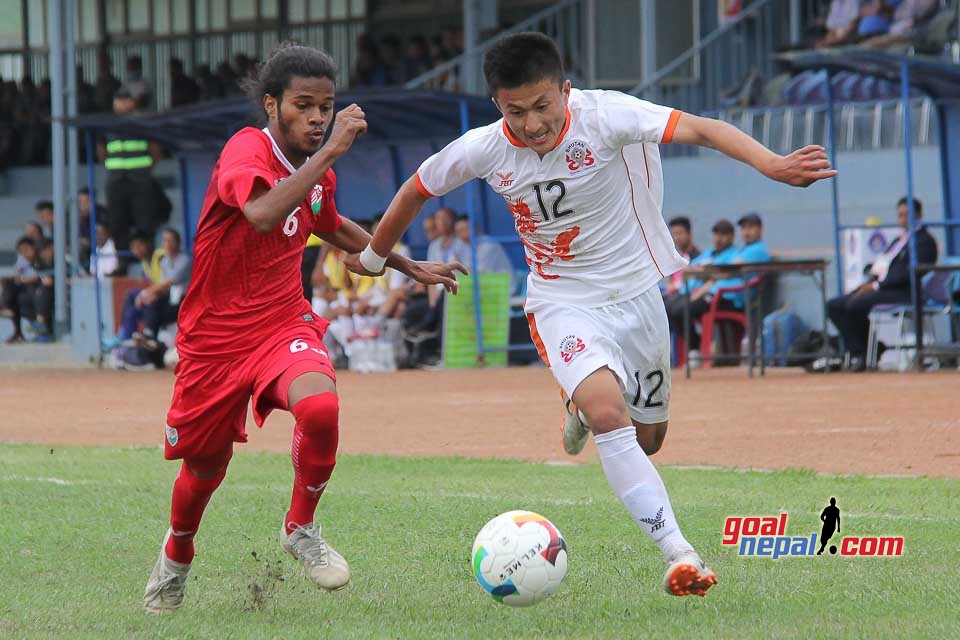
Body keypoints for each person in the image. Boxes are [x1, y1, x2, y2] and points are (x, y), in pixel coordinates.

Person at [353, 32, 835, 597]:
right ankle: (679, 554)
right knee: (612, 417)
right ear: (497, 106)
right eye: (515, 111)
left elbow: (704, 128)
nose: (532, 124)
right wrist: (371, 257)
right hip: (563, 300)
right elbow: (415, 189)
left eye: (542, 107)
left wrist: (772, 164)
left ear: (565, 90)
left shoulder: (609, 116)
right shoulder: (484, 147)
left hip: (637, 296)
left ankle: (576, 402)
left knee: (649, 438)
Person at [142, 43, 465, 614]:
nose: (318, 118)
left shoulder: (319, 170)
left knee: (321, 407)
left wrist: (408, 264)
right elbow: (263, 212)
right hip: (214, 341)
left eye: (327, 106)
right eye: (304, 105)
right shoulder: (247, 150)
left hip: (280, 322)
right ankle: (176, 555)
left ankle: (300, 527)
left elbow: (331, 223)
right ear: (272, 106)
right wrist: (333, 150)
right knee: (204, 467)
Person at [827, 196, 937, 371]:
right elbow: (885, 265)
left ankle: (865, 354)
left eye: (907, 214)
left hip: (903, 292)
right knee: (835, 305)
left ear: (919, 214)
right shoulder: (898, 240)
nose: (902, 219)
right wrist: (871, 280)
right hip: (881, 286)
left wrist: (877, 286)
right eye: (900, 215)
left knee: (855, 305)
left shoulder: (924, 241)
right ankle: (863, 349)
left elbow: (907, 274)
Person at [664, 218, 738, 349]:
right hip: (697, 293)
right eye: (716, 234)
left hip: (721, 297)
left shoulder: (734, 254)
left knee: (680, 310)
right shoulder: (710, 253)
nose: (719, 238)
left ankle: (696, 347)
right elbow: (690, 267)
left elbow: (720, 274)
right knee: (667, 307)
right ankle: (688, 348)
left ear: (732, 237)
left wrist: (704, 275)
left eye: (723, 234)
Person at [662, 216, 700, 297]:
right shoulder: (677, 258)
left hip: (685, 297)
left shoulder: (698, 257)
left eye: (679, 233)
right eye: (674, 234)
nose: (676, 238)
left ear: (689, 233)